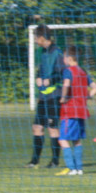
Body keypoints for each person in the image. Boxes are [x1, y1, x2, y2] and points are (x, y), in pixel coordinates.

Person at [27, 24, 64, 168]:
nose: (35, 40)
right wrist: (37, 77)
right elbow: (41, 69)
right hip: (43, 96)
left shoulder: (57, 53)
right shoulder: (42, 52)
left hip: (54, 96)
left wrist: (51, 80)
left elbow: (61, 73)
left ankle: (55, 161)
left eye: (36, 38)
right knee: (37, 127)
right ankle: (34, 161)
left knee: (52, 128)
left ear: (42, 37)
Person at [57, 47, 89, 176]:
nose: (63, 60)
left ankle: (72, 168)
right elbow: (95, 87)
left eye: (64, 57)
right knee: (77, 140)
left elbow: (66, 84)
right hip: (81, 110)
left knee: (62, 139)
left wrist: (63, 97)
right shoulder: (82, 71)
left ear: (69, 58)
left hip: (70, 110)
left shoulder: (68, 71)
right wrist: (88, 95)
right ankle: (79, 169)